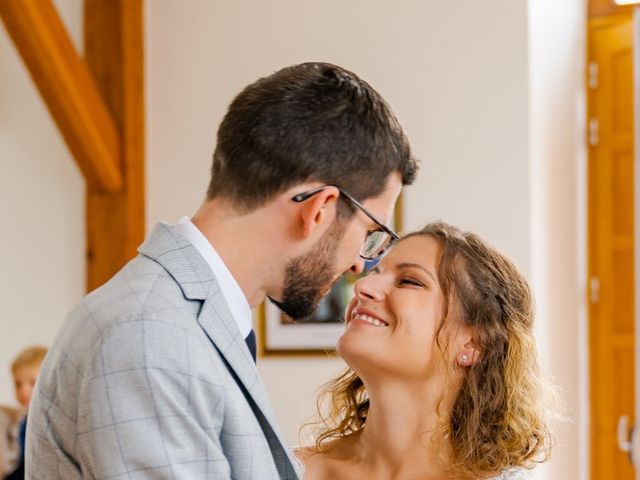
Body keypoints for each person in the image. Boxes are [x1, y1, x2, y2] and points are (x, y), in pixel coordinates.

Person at [26, 62, 418, 479]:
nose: (361, 262)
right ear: (319, 210)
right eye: (370, 232)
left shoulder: (187, 324)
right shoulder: (149, 334)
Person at [298, 222, 553, 480]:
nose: (362, 287)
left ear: (473, 344)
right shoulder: (283, 471)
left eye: (409, 281)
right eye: (375, 272)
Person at [5, 347, 47, 480]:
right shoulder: (22, 419)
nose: (24, 391)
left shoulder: (47, 421)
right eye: (18, 384)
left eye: (32, 383)